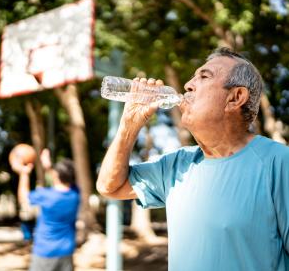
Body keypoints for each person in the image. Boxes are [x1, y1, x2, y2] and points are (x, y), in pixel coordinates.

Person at [97, 47, 289, 271]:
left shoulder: (278, 163)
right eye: (193, 76)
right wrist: (129, 126)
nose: (188, 84)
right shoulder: (177, 164)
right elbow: (109, 187)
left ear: (236, 97)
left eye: (204, 76)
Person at [10, 149, 80, 271]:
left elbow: (23, 198)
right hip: (66, 250)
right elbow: (63, 179)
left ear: (56, 175)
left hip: (45, 251)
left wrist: (24, 173)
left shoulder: (46, 195)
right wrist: (49, 167)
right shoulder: (75, 194)